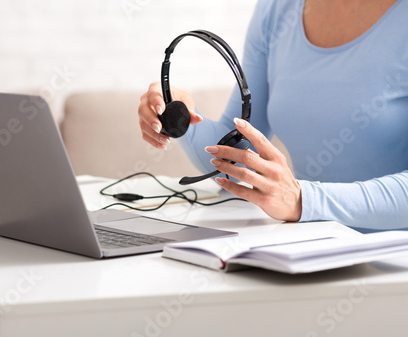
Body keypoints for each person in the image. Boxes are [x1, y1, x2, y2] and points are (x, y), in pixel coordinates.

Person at [137, 0, 408, 232]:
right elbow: (238, 148)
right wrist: (179, 117)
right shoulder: (278, 9)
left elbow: (296, 201)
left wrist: (303, 201)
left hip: (394, 262)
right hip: (312, 248)